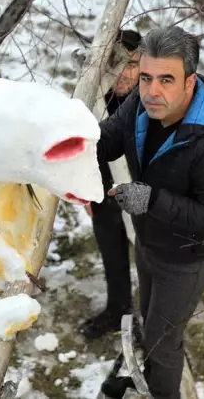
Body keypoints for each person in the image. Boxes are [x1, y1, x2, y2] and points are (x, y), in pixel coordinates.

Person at [95, 26, 204, 399]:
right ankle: (150, 378)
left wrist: (152, 201)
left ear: (189, 82)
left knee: (164, 344)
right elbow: (107, 138)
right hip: (149, 241)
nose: (151, 91)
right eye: (145, 77)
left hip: (185, 259)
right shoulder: (141, 103)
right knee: (151, 321)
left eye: (166, 80)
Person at [78, 29, 142, 340]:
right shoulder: (91, 98)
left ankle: (154, 322)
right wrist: (86, 194)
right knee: (112, 255)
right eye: (118, 63)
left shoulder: (149, 102)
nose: (125, 74)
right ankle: (118, 310)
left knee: (148, 256)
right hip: (103, 193)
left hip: (141, 193)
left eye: (133, 64)